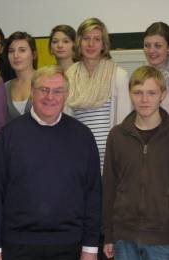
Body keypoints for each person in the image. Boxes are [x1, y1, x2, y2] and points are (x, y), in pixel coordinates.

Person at [0, 65, 101, 260]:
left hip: (65, 246)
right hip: (17, 245)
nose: (50, 97)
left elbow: (93, 194)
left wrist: (90, 247)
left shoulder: (82, 136)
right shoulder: (10, 135)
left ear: (66, 95)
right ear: (32, 92)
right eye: (44, 89)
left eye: (58, 91)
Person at [103, 65, 169, 260]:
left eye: (151, 93)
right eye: (138, 92)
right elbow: (109, 186)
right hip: (125, 238)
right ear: (129, 94)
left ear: (162, 94)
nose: (144, 99)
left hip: (166, 238)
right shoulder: (117, 135)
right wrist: (109, 234)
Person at [66, 17, 131, 168]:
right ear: (79, 42)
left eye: (96, 39)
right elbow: (67, 120)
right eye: (86, 38)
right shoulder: (69, 75)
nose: (91, 44)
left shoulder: (118, 75)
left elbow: (124, 124)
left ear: (103, 44)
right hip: (78, 156)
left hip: (109, 159)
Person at [4, 31, 36, 122]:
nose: (16, 55)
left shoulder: (46, 81)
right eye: (11, 51)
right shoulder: (4, 88)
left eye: (22, 50)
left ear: (33, 54)